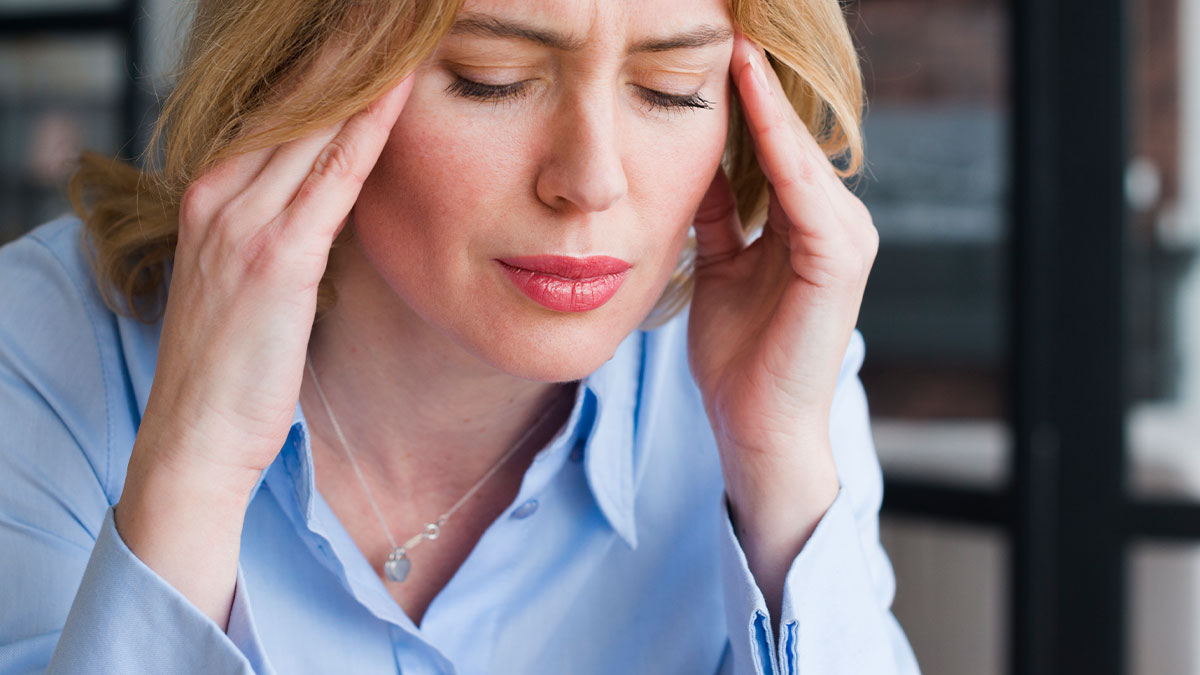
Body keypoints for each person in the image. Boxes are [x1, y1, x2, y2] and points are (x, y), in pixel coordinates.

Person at [0, 0, 921, 672]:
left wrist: (778, 463)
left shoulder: (783, 368)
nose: (591, 181)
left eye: (673, 91)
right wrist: (193, 466)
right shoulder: (45, 344)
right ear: (301, 74)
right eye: (494, 80)